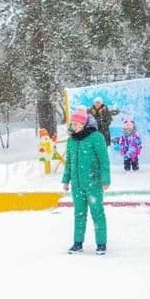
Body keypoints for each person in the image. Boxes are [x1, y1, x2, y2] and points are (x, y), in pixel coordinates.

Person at [62, 108, 111, 255]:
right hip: (77, 185)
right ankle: (78, 243)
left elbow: (104, 160)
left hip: (93, 183)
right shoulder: (71, 140)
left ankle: (101, 244)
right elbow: (69, 161)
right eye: (73, 124)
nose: (74, 126)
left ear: (84, 124)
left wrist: (105, 179)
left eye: (77, 124)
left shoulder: (96, 137)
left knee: (97, 213)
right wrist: (66, 180)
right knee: (79, 214)